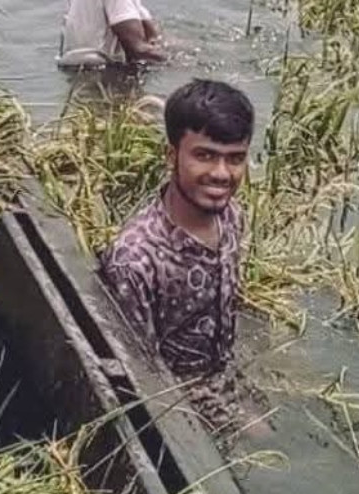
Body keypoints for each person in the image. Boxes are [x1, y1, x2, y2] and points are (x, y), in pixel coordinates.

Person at [98, 78, 259, 439]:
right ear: (172, 155)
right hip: (178, 400)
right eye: (204, 155)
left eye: (235, 159)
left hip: (225, 370)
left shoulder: (231, 215)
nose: (221, 174)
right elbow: (144, 378)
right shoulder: (136, 260)